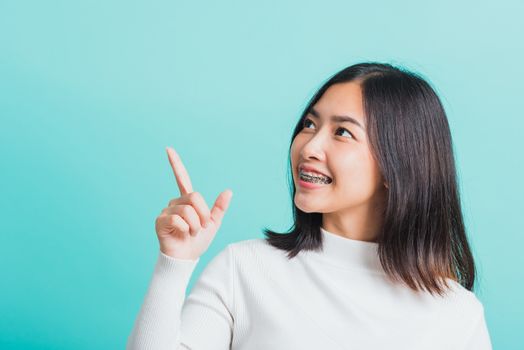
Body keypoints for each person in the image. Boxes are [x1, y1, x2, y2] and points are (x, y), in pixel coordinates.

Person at [126, 62, 493, 349]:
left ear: (397, 164)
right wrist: (174, 263)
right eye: (309, 124)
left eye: (342, 132)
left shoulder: (456, 316)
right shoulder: (245, 270)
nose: (309, 147)